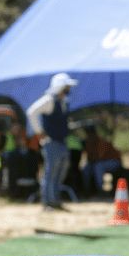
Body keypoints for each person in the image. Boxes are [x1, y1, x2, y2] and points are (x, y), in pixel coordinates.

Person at [26, 72, 78, 211]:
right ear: (60, 86)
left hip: (62, 141)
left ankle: (55, 201)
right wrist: (39, 133)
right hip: (51, 142)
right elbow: (31, 112)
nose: (69, 88)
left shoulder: (63, 101)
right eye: (67, 86)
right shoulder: (48, 99)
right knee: (50, 173)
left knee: (60, 173)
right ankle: (47, 202)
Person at [81, 125, 122, 197]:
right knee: (86, 168)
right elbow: (89, 158)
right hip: (100, 162)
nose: (90, 136)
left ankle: (100, 190)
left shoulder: (101, 142)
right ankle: (86, 190)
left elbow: (100, 158)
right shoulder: (88, 143)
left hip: (115, 161)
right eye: (88, 134)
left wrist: (93, 160)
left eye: (91, 133)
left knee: (98, 166)